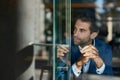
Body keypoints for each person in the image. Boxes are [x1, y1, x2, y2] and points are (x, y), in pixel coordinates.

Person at [57, 10, 113, 80]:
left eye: (82, 30)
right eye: (75, 29)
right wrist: (78, 64)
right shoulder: (66, 45)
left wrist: (100, 65)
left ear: (93, 35)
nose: (75, 34)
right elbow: (60, 77)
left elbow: (109, 77)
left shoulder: (105, 49)